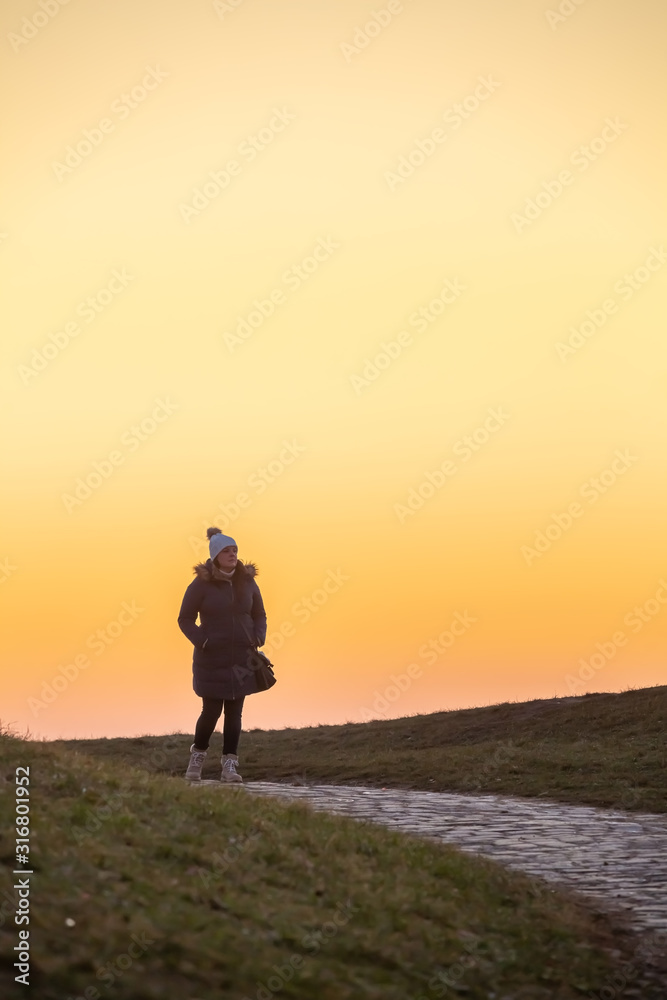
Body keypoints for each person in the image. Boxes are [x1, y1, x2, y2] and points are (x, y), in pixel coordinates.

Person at [177, 526, 267, 784]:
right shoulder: (200, 585)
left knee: (235, 712)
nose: (232, 554)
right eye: (227, 551)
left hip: (242, 657)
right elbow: (184, 619)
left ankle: (230, 765)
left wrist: (259, 636)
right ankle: (198, 757)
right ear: (215, 555)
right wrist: (203, 641)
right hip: (211, 659)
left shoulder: (248, 581)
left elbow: (259, 613)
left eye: (235, 550)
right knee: (211, 711)